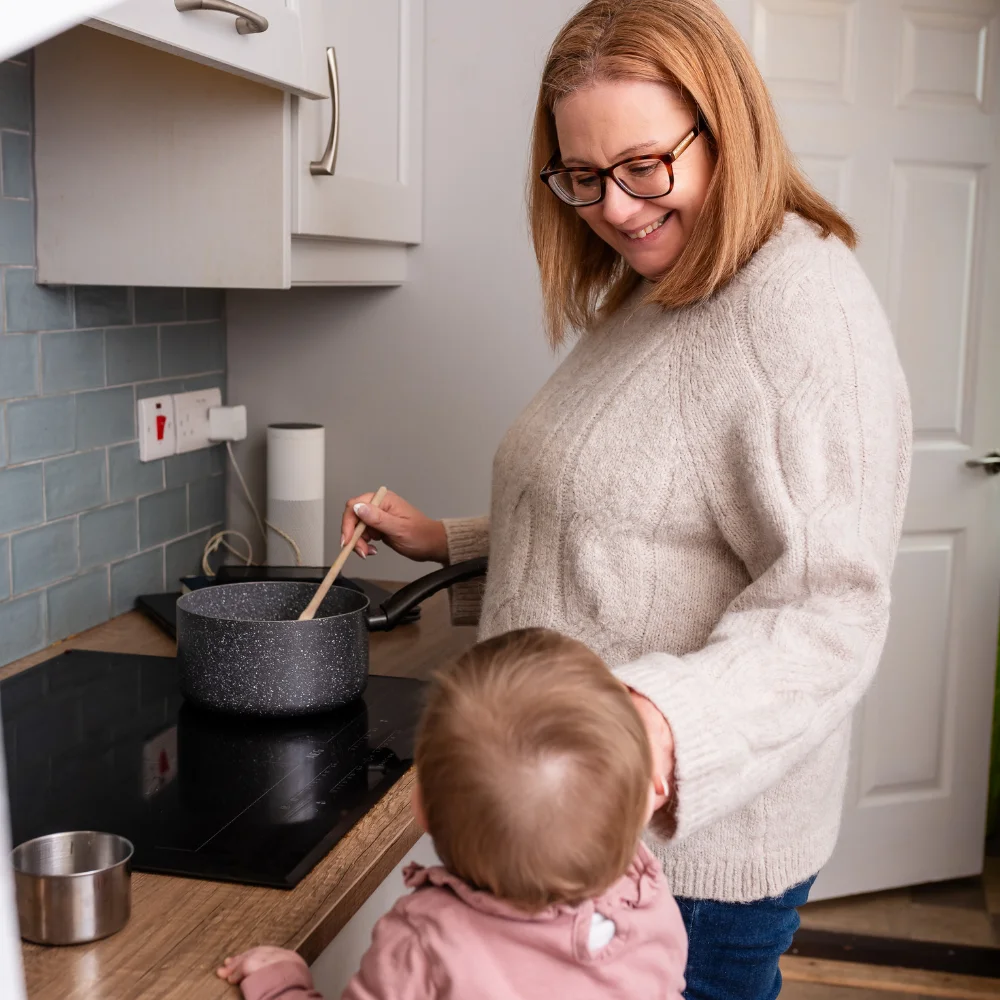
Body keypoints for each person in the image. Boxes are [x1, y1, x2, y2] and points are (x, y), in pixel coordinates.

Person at [339, 2, 912, 998]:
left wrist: (650, 723)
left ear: (723, 121)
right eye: (582, 177)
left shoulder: (800, 306)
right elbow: (625, 522)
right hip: (565, 830)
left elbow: (831, 611)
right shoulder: (653, 292)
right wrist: (446, 543)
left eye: (645, 165)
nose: (614, 206)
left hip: (676, 866)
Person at [216, 629, 687, 1000]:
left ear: (419, 804)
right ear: (647, 798)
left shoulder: (426, 943)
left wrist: (281, 984)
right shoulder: (644, 898)